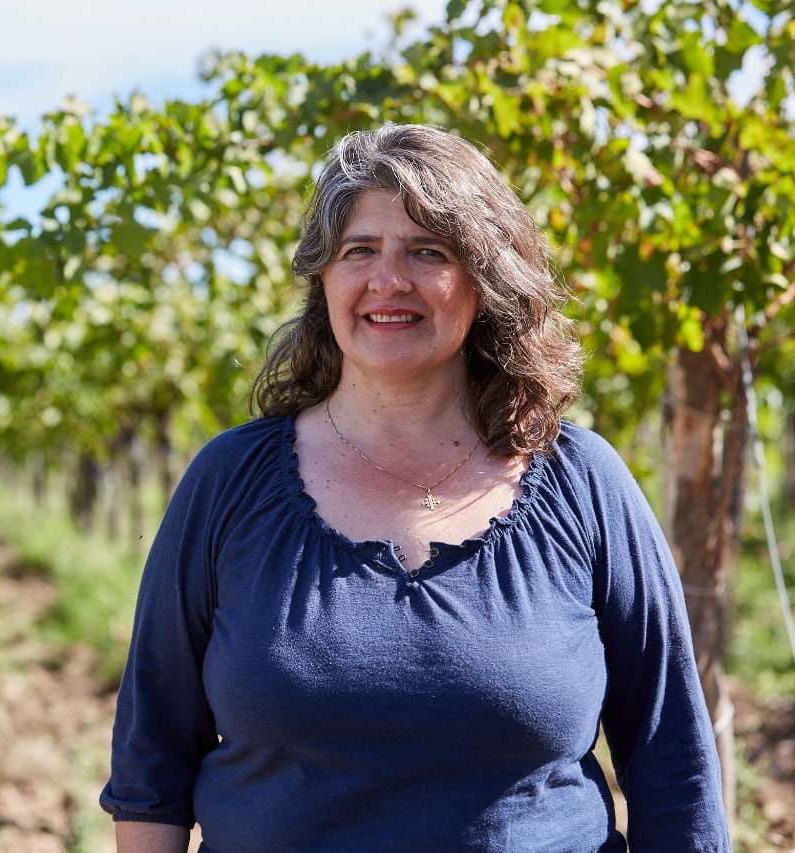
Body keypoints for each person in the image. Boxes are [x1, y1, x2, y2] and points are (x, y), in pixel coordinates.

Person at [98, 123, 730, 851]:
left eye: (428, 252)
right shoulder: (228, 482)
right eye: (358, 250)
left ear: (486, 280)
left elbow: (673, 762)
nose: (387, 280)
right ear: (323, 279)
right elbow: (152, 762)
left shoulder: (584, 484)